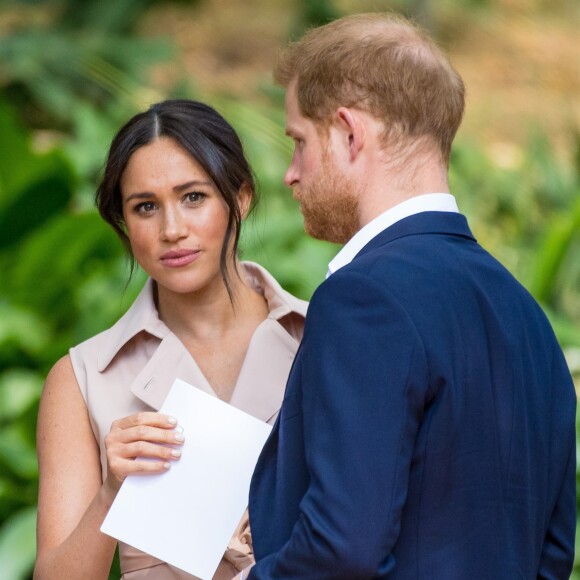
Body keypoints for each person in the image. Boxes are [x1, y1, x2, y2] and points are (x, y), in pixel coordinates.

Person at [246, 13, 577, 579]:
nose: (290, 175)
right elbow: (552, 554)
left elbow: (342, 549)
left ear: (350, 134)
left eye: (299, 142)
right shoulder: (526, 315)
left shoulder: (363, 298)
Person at [35, 99, 308, 580]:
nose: (172, 230)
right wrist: (112, 492)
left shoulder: (321, 339)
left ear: (240, 198)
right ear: (123, 223)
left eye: (194, 197)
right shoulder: (82, 379)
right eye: (145, 207)